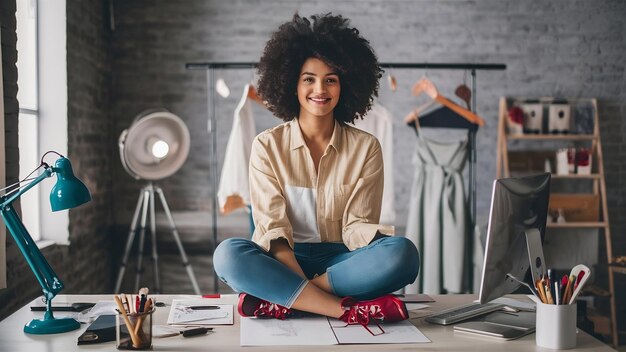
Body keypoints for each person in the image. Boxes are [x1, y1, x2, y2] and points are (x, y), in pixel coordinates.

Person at [213, 13, 419, 333]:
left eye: (330, 79)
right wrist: (300, 277)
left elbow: (357, 229)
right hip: (283, 260)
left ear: (344, 85)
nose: (319, 89)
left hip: (342, 264)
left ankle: (286, 300)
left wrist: (376, 250)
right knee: (227, 255)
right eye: (309, 78)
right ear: (291, 83)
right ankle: (344, 310)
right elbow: (274, 234)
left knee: (403, 254)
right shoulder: (266, 146)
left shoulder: (367, 147)